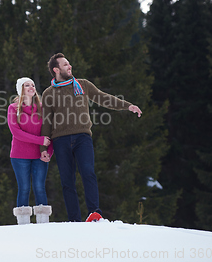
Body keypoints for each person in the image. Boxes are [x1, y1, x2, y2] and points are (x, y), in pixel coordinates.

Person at [40, 53, 142, 222]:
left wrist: (127, 106)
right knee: (67, 181)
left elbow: (103, 98)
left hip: (82, 138)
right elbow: (46, 122)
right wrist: (44, 148)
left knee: (88, 172)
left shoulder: (82, 85)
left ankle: (94, 214)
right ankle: (74, 219)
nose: (70, 66)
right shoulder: (48, 93)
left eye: (69, 63)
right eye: (65, 65)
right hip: (60, 140)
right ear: (56, 70)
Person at [7, 77, 54, 224]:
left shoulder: (43, 108)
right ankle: (23, 224)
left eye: (32, 85)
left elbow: (50, 131)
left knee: (40, 187)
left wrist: (49, 151)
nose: (31, 87)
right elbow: (16, 133)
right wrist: (39, 141)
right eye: (27, 85)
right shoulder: (13, 108)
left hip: (40, 155)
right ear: (21, 89)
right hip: (19, 156)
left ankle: (43, 223)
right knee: (24, 187)